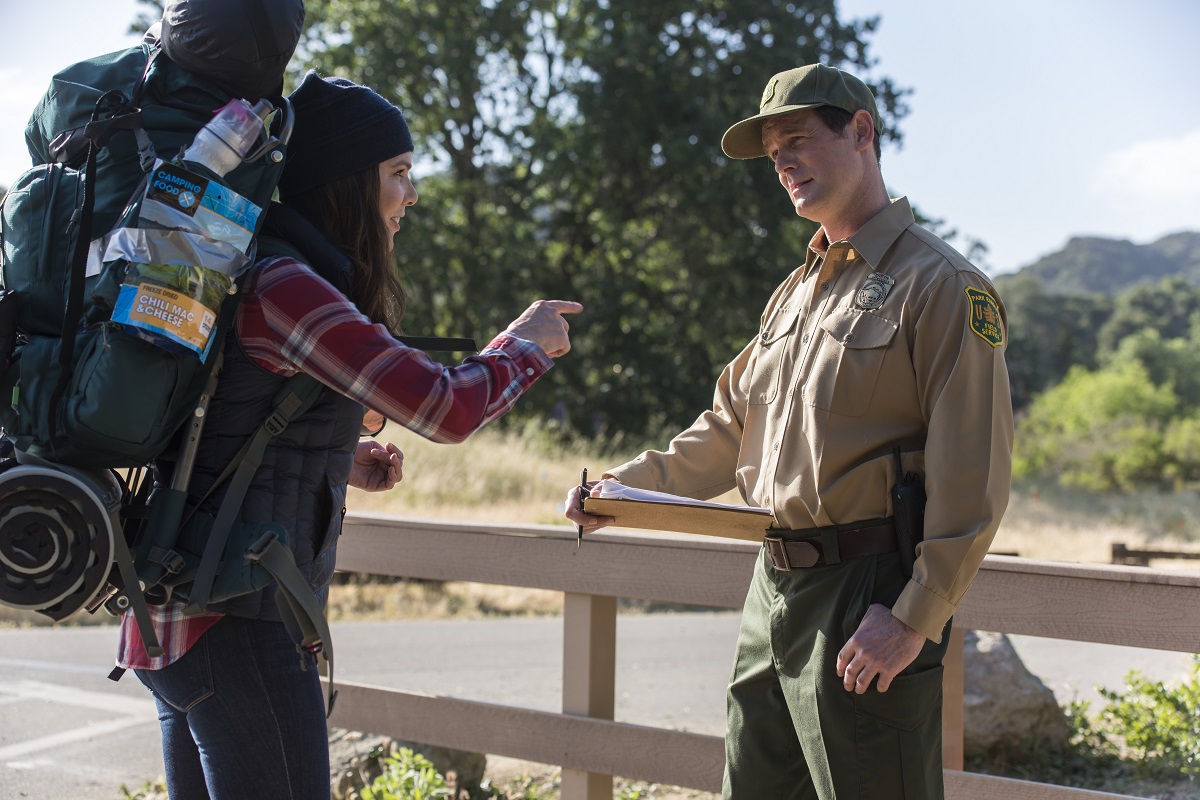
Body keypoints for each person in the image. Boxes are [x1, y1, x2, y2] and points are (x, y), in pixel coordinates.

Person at [111, 70, 582, 799]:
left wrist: (337, 455)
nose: (412, 196)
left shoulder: (247, 269)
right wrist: (523, 345)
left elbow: (214, 420)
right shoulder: (288, 287)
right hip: (241, 625)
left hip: (175, 623)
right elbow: (445, 408)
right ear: (346, 183)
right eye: (398, 174)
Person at [566, 63, 1012, 799]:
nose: (785, 166)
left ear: (862, 132)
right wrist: (624, 490)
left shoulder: (942, 285)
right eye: (774, 157)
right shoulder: (797, 291)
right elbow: (730, 425)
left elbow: (975, 473)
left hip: (868, 587)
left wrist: (912, 618)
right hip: (771, 590)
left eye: (799, 141)